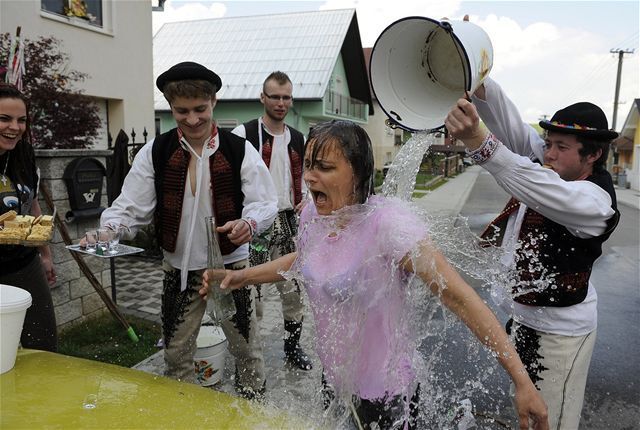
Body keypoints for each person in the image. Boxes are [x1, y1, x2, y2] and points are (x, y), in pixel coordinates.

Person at [202, 120, 549, 429]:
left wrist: (521, 381)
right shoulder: (314, 216)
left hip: (386, 394)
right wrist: (244, 276)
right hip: (336, 380)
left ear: (358, 173)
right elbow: (304, 260)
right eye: (308, 165)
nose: (309, 177)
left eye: (323, 167)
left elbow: (459, 297)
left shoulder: (389, 226)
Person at [445, 78, 619, 430]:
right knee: (527, 411)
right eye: (549, 143)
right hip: (525, 321)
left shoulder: (593, 202)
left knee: (550, 420)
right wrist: (479, 82)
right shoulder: (556, 165)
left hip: (560, 336)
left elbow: (531, 181)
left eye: (561, 147)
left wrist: (479, 140)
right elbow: (515, 130)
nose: (548, 153)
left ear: (593, 154)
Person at [101, 62, 278, 400]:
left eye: (200, 109)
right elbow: (131, 207)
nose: (193, 119)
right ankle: (185, 413)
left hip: (231, 269)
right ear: (170, 107)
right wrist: (110, 230)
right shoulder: (156, 151)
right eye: (182, 111)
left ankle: (252, 408)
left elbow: (265, 200)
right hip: (178, 271)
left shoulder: (238, 148)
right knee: (177, 353)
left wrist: (249, 223)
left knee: (247, 351)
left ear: (213, 102)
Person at [231, 71, 312, 371]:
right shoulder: (243, 134)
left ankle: (293, 349)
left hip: (290, 221)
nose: (281, 103)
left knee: (293, 290)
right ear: (262, 97)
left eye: (286, 97)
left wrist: (308, 198)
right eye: (275, 96)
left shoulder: (299, 138)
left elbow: (305, 178)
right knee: (249, 290)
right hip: (255, 225)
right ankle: (250, 355)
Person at [0, 83, 57, 352]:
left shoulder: (23, 153)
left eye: (21, 120)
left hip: (24, 265)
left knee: (43, 343)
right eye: (4, 118)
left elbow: (31, 202)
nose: (15, 127)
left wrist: (44, 255)